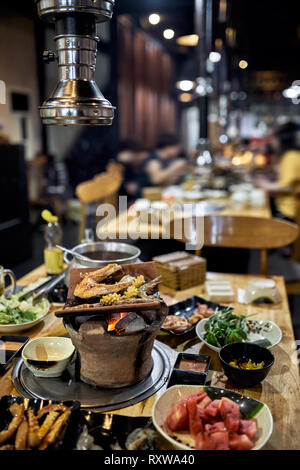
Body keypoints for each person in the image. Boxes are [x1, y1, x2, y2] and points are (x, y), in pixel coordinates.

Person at [255, 122, 300, 221]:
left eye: (273, 139)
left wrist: (265, 184)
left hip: (288, 210)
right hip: (287, 208)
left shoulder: (290, 156)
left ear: (282, 140)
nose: (271, 142)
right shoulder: (290, 155)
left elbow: (287, 186)